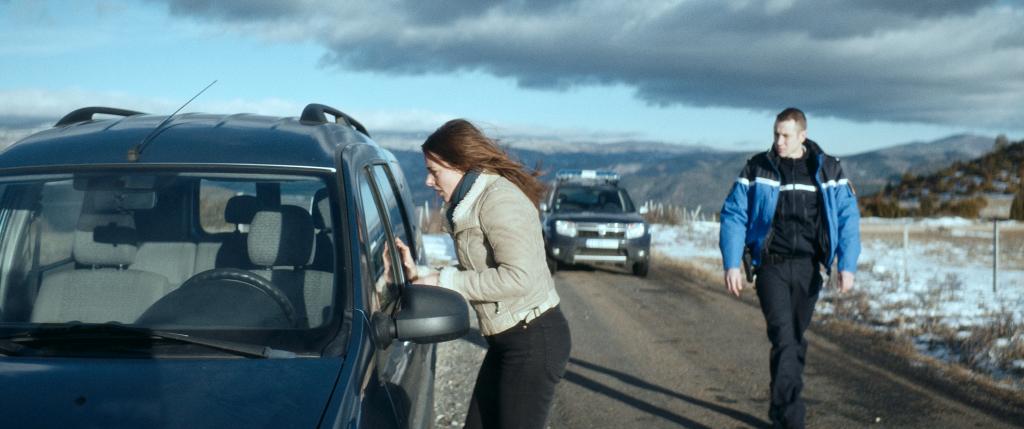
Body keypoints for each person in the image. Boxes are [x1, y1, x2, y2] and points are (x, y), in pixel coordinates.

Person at [394, 119, 571, 429]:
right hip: (510, 341)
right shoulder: (473, 202)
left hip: (532, 341)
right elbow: (478, 271)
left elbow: (520, 278)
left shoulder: (499, 200)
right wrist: (422, 273)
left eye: (434, 171)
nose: (428, 182)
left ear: (459, 164)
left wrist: (443, 281)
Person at [719, 107, 860, 429]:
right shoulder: (758, 167)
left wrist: (846, 264)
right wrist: (731, 263)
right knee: (784, 337)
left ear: (802, 136)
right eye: (775, 134)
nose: (779, 141)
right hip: (772, 267)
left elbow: (848, 218)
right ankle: (791, 419)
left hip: (811, 269)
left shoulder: (828, 170)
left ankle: (779, 406)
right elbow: (734, 215)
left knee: (793, 339)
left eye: (785, 135)